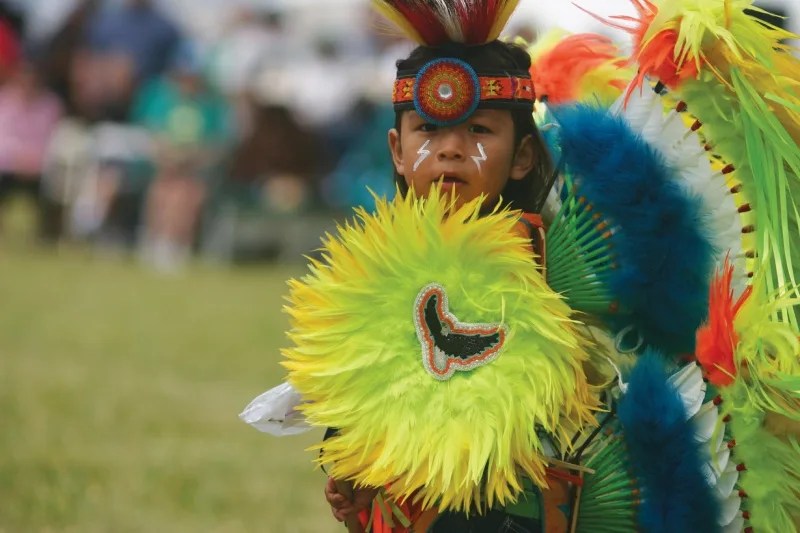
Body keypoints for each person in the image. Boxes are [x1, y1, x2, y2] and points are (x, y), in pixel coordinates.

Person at [322, 8, 555, 532]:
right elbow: (360, 370)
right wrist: (346, 457)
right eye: (429, 128)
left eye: (477, 130)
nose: (450, 148)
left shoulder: (551, 261)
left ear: (522, 157)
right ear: (397, 151)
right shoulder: (372, 261)